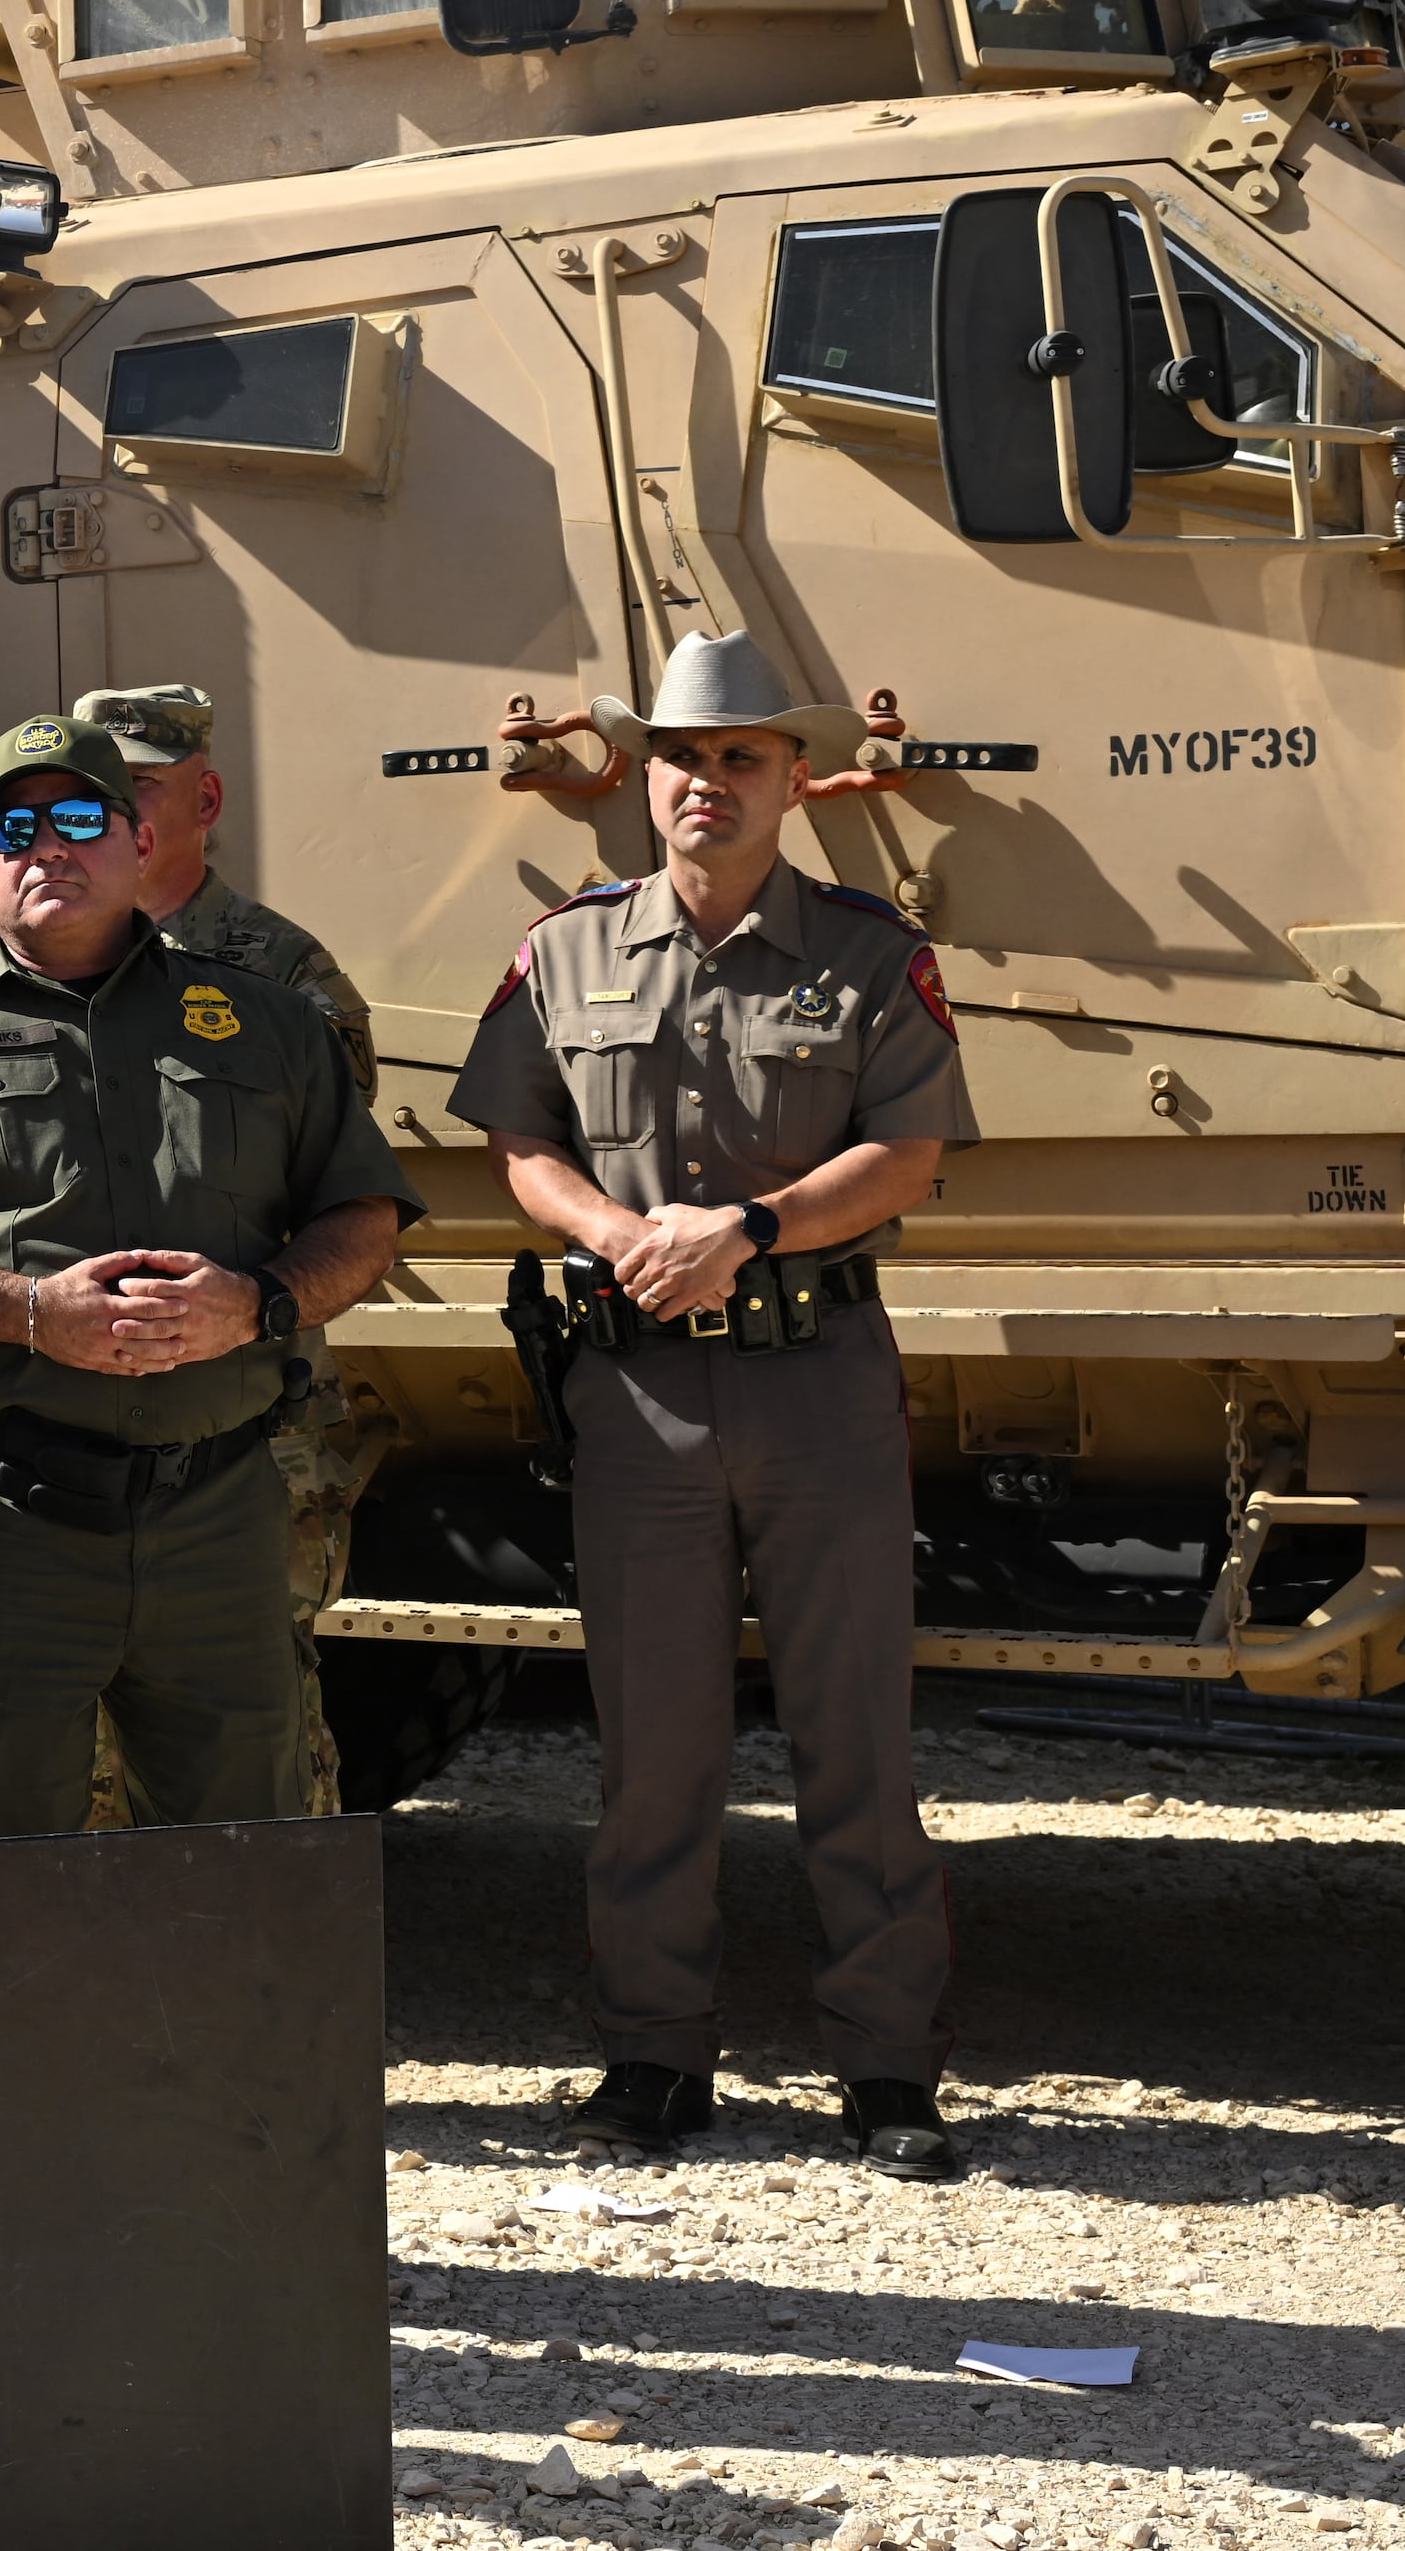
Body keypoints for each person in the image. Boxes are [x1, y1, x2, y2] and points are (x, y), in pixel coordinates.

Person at [447, 630, 976, 2179]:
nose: (706, 781)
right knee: (653, 1747)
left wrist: (744, 1229)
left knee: (854, 1738)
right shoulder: (569, 952)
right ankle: (653, 2061)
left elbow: (910, 1155)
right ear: (644, 775)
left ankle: (889, 2073)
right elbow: (519, 1138)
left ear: (797, 779)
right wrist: (614, 1234)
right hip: (636, 1393)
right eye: (681, 755)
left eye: (742, 757)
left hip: (817, 1378)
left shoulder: (873, 953)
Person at [0, 712, 413, 1842]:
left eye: (78, 818)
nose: (46, 847)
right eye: (11, 826)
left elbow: (360, 1214)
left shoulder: (265, 1024)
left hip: (217, 1524)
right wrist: (27, 1315)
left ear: (135, 842)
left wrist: (252, 1304)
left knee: (236, 1878)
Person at [76, 679, 385, 1819]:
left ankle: (273, 1981)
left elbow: (347, 1210)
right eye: (91, 793)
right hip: (68, 1422)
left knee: (252, 1726)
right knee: (77, 1743)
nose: (116, 815)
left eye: (142, 787)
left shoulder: (281, 980)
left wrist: (243, 1307)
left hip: (255, 1426)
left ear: (203, 797)